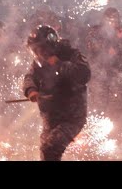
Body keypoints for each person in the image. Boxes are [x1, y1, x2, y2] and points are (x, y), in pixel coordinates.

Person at [23, 25, 91, 161]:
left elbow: (84, 75)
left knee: (51, 148)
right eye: (35, 49)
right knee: (46, 151)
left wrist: (59, 64)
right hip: (50, 116)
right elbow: (30, 77)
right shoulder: (39, 62)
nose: (38, 53)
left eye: (40, 48)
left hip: (72, 117)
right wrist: (31, 90)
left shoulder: (71, 54)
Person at [85, 7, 122, 119]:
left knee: (117, 103)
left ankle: (114, 125)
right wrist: (107, 48)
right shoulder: (95, 31)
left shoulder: (121, 33)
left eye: (115, 20)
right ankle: (96, 127)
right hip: (98, 73)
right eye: (111, 20)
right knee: (98, 103)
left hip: (115, 73)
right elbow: (91, 45)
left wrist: (120, 40)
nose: (113, 23)